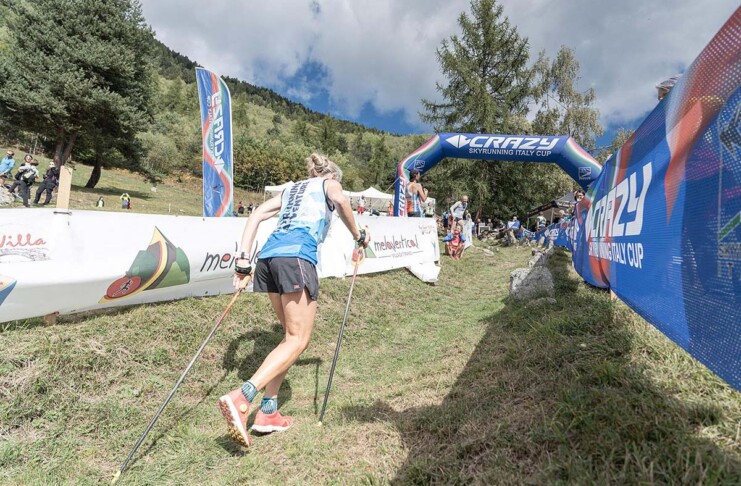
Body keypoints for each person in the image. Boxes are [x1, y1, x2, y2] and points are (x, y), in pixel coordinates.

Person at [218, 153, 371, 448]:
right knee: (299, 339)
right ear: (332, 175)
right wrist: (359, 234)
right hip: (297, 256)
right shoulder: (329, 183)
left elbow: (256, 215)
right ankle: (242, 397)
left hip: (268, 258)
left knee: (290, 338)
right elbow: (341, 201)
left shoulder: (292, 189)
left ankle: (268, 412)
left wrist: (243, 260)